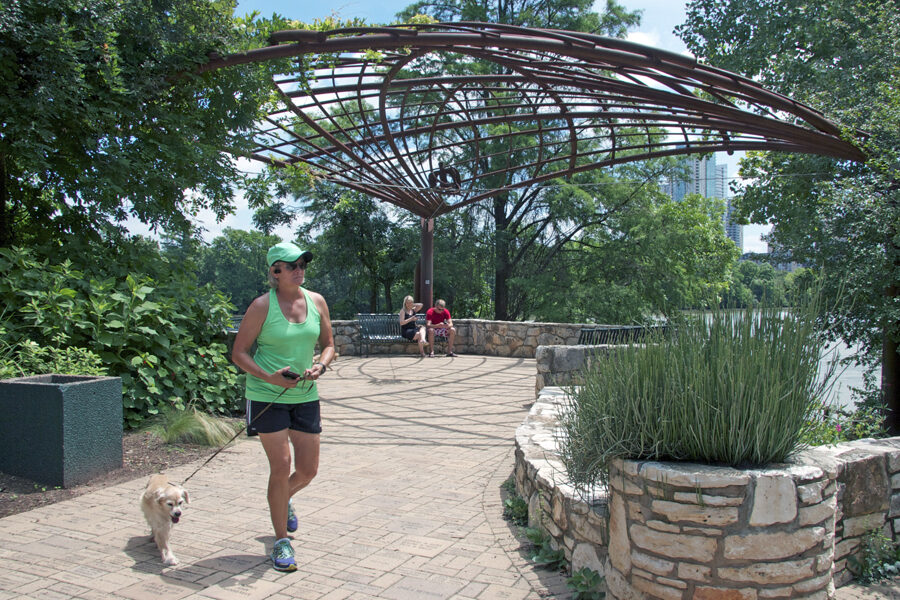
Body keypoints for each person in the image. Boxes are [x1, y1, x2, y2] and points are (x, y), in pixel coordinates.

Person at [231, 241, 335, 573]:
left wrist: (321, 365)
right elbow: (239, 353)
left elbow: (329, 344)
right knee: (281, 466)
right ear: (275, 271)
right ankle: (280, 541)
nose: (299, 269)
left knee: (307, 471)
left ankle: (282, 499)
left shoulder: (316, 301)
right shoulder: (262, 306)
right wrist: (269, 378)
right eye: (291, 265)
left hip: (305, 395)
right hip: (266, 395)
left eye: (302, 263)